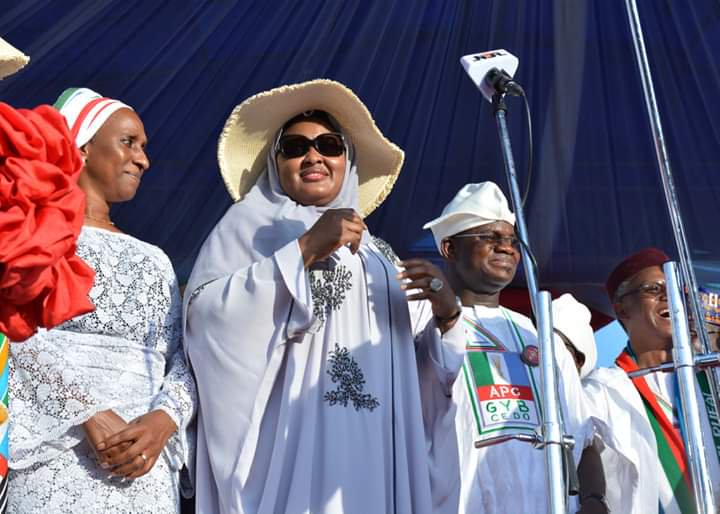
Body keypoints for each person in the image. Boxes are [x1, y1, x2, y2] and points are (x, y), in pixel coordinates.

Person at [183, 79, 466, 514]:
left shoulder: (380, 255)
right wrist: (304, 249)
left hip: (378, 450)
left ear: (347, 161)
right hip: (296, 444)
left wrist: (446, 319)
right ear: (276, 165)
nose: (312, 155)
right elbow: (206, 321)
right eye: (294, 147)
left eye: (329, 144)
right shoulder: (246, 228)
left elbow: (427, 381)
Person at [9, 88, 197, 513]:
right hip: (53, 460)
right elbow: (11, 334)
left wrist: (164, 419)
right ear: (83, 146)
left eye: (144, 148)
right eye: (128, 142)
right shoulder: (25, 237)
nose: (143, 159)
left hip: (143, 474)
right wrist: (87, 412)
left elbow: (186, 358)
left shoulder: (157, 261)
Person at [421, 182, 594, 513]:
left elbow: (584, 438)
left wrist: (594, 501)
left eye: (512, 241)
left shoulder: (542, 338)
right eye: (489, 238)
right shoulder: (418, 323)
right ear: (449, 249)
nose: (507, 248)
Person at [584, 248, 720, 513]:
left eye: (676, 290)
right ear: (622, 309)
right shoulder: (603, 390)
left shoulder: (710, 374)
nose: (667, 296)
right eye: (653, 289)